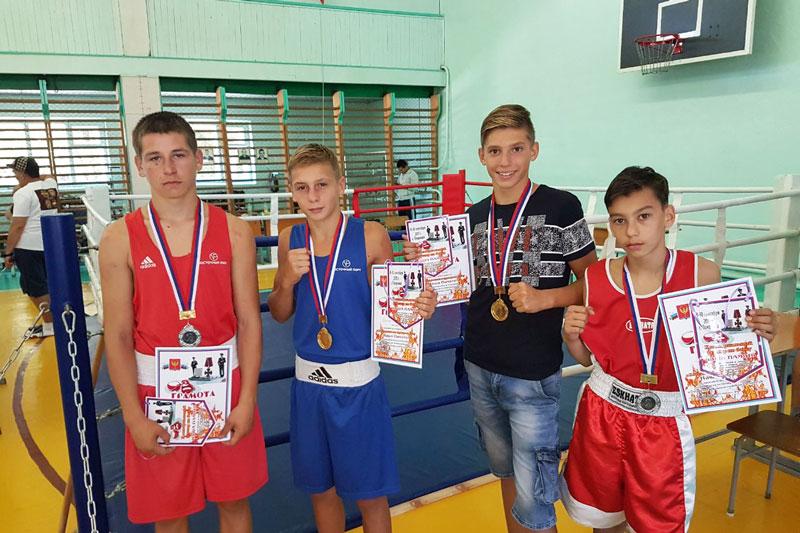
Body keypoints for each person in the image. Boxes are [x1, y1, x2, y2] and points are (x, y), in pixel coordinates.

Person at [404, 104, 596, 532]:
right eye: (495, 151)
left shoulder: (561, 206)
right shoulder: (471, 218)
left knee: (536, 497)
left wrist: (547, 299)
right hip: (480, 364)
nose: (505, 161)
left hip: (532, 371)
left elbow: (596, 282)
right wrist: (424, 263)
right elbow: (452, 287)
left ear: (534, 150)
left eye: (516, 149)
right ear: (481, 156)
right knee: (505, 474)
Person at [559, 166, 778, 533]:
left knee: (656, 524)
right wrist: (572, 339)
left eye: (643, 216)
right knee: (604, 520)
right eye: (620, 220)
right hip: (604, 410)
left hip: (665, 418)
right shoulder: (597, 277)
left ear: (668, 216)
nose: (631, 231)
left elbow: (725, 353)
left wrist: (757, 334)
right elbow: (589, 358)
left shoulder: (701, 274)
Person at [99, 111, 267, 530]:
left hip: (225, 388)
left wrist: (247, 399)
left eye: (178, 155)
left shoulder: (235, 231)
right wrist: (133, 417)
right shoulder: (119, 237)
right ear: (139, 165)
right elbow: (117, 335)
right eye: (154, 158)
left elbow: (249, 322)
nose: (168, 168)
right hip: (155, 393)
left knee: (234, 502)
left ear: (199, 158)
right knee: (170, 514)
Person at [268, 143, 437, 533]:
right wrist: (286, 280)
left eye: (322, 185)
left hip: (358, 388)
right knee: (322, 492)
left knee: (370, 496)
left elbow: (397, 303)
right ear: (292, 192)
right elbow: (279, 311)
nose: (313, 196)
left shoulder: (370, 235)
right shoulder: (290, 239)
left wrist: (420, 304)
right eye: (302, 187)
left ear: (341, 184)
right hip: (308, 387)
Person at [3, 156, 58, 338]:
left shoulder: (23, 194)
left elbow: (18, 226)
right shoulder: (51, 185)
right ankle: (52, 321)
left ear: (22, 173)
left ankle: (50, 325)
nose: (14, 174)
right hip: (49, 244)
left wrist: (8, 253)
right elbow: (48, 176)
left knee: (35, 288)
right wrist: (31, 180)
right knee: (44, 284)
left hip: (28, 247)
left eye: (16, 171)